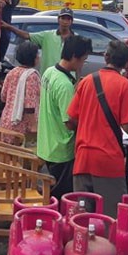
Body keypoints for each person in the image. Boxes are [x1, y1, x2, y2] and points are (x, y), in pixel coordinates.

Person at [69, 40, 128, 217]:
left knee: (81, 217)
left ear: (105, 56)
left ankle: (81, 244)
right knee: (111, 217)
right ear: (127, 63)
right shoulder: (124, 85)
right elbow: (127, 125)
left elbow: (72, 119)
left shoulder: (86, 81)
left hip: (83, 158)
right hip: (108, 160)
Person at [38, 35, 92, 199]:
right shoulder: (64, 85)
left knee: (52, 192)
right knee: (61, 197)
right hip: (62, 149)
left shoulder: (49, 71)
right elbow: (69, 122)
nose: (83, 64)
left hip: (47, 143)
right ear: (74, 57)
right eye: (83, 60)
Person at [4, 7, 75, 75]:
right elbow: (26, 35)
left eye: (68, 19)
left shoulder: (76, 39)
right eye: (63, 18)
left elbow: (79, 63)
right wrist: (8, 27)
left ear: (71, 21)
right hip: (48, 78)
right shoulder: (47, 36)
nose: (65, 22)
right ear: (58, 19)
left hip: (68, 78)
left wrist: (77, 82)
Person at [0, 41, 41, 144]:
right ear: (34, 58)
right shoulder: (32, 76)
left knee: (6, 155)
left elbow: (3, 96)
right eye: (37, 55)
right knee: (20, 157)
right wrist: (34, 126)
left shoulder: (12, 72)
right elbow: (29, 106)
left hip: (6, 121)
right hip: (22, 124)